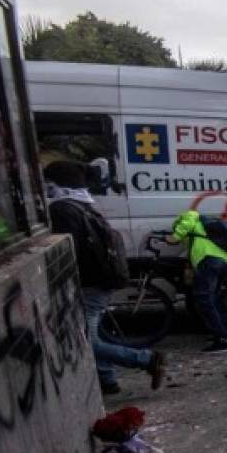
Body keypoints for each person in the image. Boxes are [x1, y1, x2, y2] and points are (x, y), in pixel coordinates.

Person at [44, 161, 165, 393]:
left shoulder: (62, 209)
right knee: (96, 331)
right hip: (102, 280)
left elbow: (68, 252)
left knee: (85, 339)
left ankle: (147, 359)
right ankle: (107, 380)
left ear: (56, 183)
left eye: (48, 183)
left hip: (90, 283)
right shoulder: (84, 205)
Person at [167, 210, 227, 354]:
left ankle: (224, 340)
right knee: (214, 299)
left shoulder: (189, 216)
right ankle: (225, 333)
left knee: (203, 298)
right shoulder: (200, 229)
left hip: (210, 260)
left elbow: (186, 223)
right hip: (221, 261)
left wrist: (174, 236)